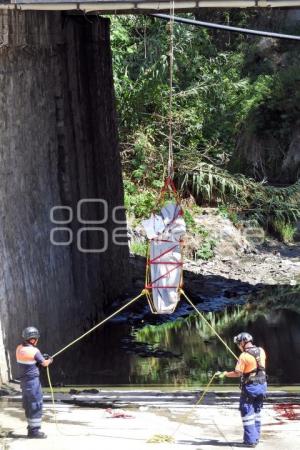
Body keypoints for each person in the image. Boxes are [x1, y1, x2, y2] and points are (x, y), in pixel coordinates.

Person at [217, 332, 267, 448]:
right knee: (257, 412)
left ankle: (250, 441)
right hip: (262, 385)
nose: (239, 346)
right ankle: (255, 437)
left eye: (239, 344)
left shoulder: (243, 356)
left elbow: (237, 373)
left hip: (251, 388)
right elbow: (258, 366)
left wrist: (225, 374)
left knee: (247, 412)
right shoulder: (261, 351)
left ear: (243, 343)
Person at [16, 326, 53, 439]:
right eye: (36, 338)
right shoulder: (34, 351)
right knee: (36, 404)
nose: (37, 340)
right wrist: (50, 359)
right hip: (33, 383)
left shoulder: (19, 348)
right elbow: (45, 363)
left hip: (24, 382)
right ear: (32, 339)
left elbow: (28, 362)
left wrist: (38, 361)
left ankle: (30, 428)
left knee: (28, 405)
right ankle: (34, 432)